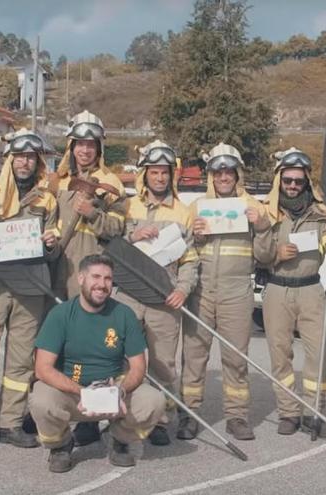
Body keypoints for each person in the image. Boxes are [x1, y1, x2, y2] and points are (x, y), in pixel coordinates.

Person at [0, 130, 60, 454]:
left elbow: (53, 241)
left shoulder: (47, 198)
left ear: (38, 161)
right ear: (10, 158)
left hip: (30, 285)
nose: (25, 162)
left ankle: (10, 424)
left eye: (31, 157)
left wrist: (50, 241)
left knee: (20, 359)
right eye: (19, 155)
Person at [29, 254, 166, 473]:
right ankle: (60, 445)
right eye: (96, 277)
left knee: (154, 401)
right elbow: (42, 367)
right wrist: (83, 393)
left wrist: (120, 391)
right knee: (41, 400)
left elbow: (139, 367)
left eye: (108, 279)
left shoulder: (124, 315)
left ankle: (119, 439)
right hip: (74, 394)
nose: (102, 285)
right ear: (81, 279)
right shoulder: (60, 315)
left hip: (113, 395)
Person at [179, 143, 274, 441]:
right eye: (218, 172)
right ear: (211, 175)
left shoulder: (253, 207)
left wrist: (260, 227)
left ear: (237, 174)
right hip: (202, 290)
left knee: (235, 357)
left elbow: (267, 256)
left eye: (228, 171)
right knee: (194, 357)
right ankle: (189, 414)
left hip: (236, 291)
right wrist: (190, 234)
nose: (223, 177)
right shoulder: (196, 208)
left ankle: (237, 416)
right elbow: (182, 252)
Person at [48, 110, 127, 446]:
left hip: (95, 278)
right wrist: (50, 236)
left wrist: (93, 213)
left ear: (99, 148)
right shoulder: (58, 181)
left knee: (93, 349)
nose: (84, 150)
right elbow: (49, 221)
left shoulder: (113, 183)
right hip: (62, 273)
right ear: (71, 147)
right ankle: (60, 410)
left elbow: (119, 228)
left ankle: (90, 420)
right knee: (61, 347)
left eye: (90, 145)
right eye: (79, 144)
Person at [114, 140, 198, 446]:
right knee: (122, 357)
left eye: (165, 172)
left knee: (163, 362)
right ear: (144, 175)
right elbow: (111, 244)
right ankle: (119, 413)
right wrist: (132, 234)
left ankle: (159, 420)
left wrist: (183, 289)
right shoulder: (127, 206)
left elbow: (190, 259)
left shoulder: (183, 211)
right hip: (128, 295)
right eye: (154, 172)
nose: (160, 178)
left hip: (165, 298)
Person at [259, 147, 326, 436]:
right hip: (277, 289)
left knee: (318, 354)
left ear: (306, 182)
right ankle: (288, 412)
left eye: (298, 181)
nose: (293, 186)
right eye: (288, 180)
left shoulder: (322, 214)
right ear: (279, 181)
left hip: (311, 289)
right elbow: (253, 254)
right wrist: (274, 254)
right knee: (280, 354)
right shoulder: (267, 213)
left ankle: (315, 412)